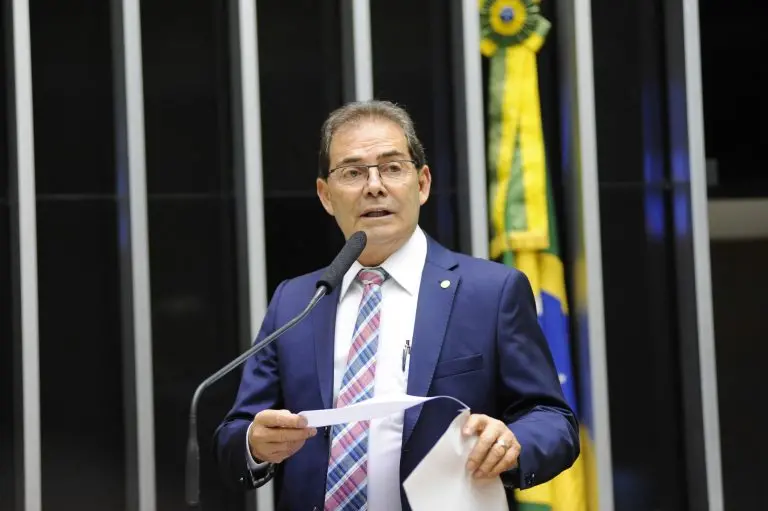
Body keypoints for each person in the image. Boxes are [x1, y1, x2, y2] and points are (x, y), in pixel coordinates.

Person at [214, 100, 579, 511]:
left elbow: (554, 420)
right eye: (352, 172)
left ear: (422, 184)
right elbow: (235, 435)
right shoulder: (296, 301)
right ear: (325, 195)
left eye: (391, 167)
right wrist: (254, 444)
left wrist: (515, 443)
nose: (374, 186)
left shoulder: (491, 292)